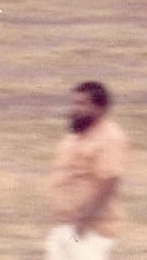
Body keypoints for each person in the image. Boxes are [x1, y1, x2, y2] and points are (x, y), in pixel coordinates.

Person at [45, 81, 128, 260]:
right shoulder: (76, 135)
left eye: (81, 104)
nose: (75, 108)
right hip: (64, 225)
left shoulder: (110, 138)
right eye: (74, 103)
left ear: (99, 108)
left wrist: (82, 222)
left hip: (89, 230)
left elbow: (109, 182)